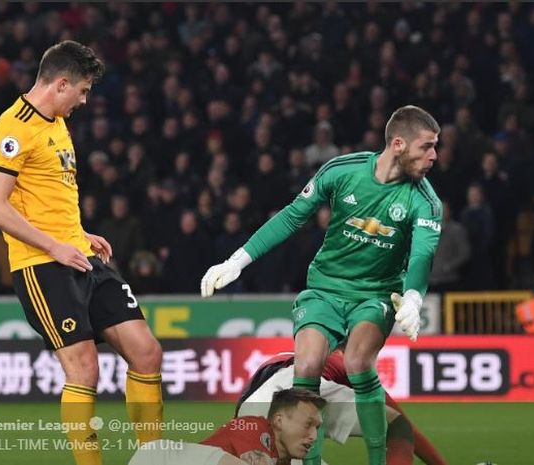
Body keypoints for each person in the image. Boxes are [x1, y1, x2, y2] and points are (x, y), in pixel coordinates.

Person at [202, 105, 442, 465]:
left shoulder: (425, 201)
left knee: (359, 362)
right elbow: (291, 216)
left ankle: (377, 460)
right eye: (427, 147)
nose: (434, 156)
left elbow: (422, 255)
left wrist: (411, 299)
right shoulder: (341, 171)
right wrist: (238, 259)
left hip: (375, 295)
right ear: (398, 144)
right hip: (324, 290)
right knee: (308, 366)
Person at [0, 40, 162, 465]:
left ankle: (154, 458)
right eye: (81, 91)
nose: (84, 100)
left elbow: (50, 197)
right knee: (84, 370)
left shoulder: (57, 122)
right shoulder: (14, 128)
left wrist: (80, 234)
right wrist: (55, 246)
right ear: (60, 84)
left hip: (79, 253)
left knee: (147, 352)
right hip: (42, 264)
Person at [236, 352, 449, 465]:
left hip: (248, 414)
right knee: (396, 426)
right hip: (285, 392)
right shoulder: (346, 362)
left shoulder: (308, 352)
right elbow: (401, 427)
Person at [129, 388, 326, 465]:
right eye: (308, 425)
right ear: (279, 420)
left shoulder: (292, 460)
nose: (314, 436)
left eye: (317, 428)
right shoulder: (253, 426)